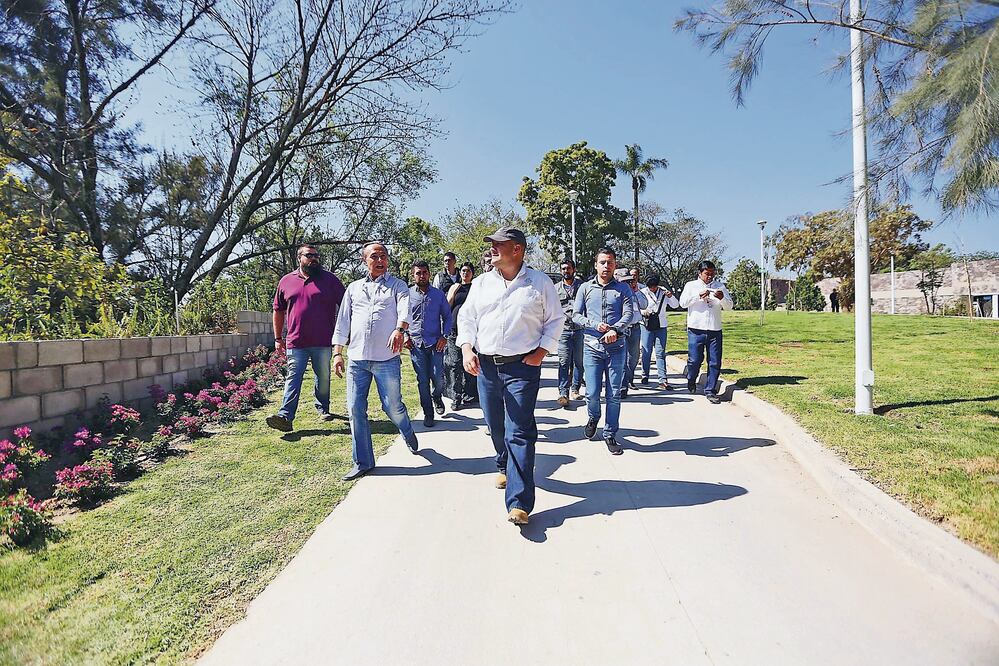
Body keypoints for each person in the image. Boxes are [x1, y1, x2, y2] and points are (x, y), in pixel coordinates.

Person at [458, 226, 563, 526]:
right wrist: (467, 349)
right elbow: (467, 318)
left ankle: (519, 502)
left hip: (522, 368)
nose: (491, 249)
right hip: (486, 366)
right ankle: (503, 463)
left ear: (516, 250)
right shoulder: (480, 283)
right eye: (490, 244)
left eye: (497, 245)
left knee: (519, 430)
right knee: (495, 425)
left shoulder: (539, 283)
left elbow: (556, 320)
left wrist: (541, 353)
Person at [332, 242, 419, 481]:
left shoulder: (398, 286)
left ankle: (406, 429)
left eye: (383, 256)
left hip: (386, 359)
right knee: (354, 409)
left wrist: (400, 330)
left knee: (392, 406)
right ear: (364, 260)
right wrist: (337, 352)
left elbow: (405, 310)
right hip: (357, 360)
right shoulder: (353, 288)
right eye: (374, 256)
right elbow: (343, 323)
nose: (379, 260)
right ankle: (363, 462)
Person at [267, 244, 346, 432]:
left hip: (323, 340)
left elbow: (345, 307)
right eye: (309, 255)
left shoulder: (330, 280)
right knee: (293, 377)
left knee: (323, 376)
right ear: (299, 258)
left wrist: (343, 336)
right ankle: (285, 416)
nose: (314, 259)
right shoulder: (286, 281)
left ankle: (323, 407)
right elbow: (278, 311)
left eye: (317, 255)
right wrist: (278, 338)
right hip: (296, 341)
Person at [573, 248, 633, 455]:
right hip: (592, 347)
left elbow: (629, 314)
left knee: (614, 394)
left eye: (610, 262)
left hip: (616, 348)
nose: (606, 266)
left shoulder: (624, 289)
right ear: (596, 265)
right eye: (602, 262)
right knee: (592, 393)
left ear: (615, 265)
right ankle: (593, 416)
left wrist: (616, 329)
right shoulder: (585, 288)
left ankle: (610, 434)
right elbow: (576, 315)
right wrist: (594, 324)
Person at [678, 260, 732, 405]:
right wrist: (698, 296)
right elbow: (682, 303)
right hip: (696, 328)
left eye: (712, 274)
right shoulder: (691, 286)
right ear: (700, 273)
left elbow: (729, 306)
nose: (710, 277)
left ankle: (710, 390)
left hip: (715, 329)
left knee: (714, 361)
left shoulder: (719, 286)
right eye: (707, 274)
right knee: (695, 359)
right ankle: (691, 378)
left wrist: (722, 299)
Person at [406, 261, 451, 427]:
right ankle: (428, 412)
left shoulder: (438, 295)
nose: (422, 275)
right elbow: (401, 317)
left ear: (429, 274)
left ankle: (437, 396)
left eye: (424, 272)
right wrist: (405, 336)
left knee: (437, 378)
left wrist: (444, 336)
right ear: (413, 275)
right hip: (415, 345)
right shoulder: (407, 294)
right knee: (422, 380)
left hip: (435, 344)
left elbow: (447, 317)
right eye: (418, 273)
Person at [444, 262, 478, 410]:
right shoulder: (455, 287)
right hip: (454, 330)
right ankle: (456, 396)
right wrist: (453, 291)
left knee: (470, 363)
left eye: (468, 271)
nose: (465, 273)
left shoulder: (477, 288)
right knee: (455, 364)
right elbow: (447, 306)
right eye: (463, 270)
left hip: (472, 332)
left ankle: (469, 395)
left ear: (472, 273)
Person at [639, 274, 679, 389]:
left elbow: (676, 305)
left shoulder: (663, 292)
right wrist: (644, 311)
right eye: (650, 286)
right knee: (646, 351)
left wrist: (671, 296)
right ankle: (645, 374)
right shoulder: (642, 292)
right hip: (646, 324)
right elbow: (636, 307)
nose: (652, 288)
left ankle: (663, 379)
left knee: (660, 352)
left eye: (654, 286)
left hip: (661, 325)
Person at [555, 258, 584, 407]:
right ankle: (563, 393)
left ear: (574, 270)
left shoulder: (582, 287)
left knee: (579, 362)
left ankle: (575, 389)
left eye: (569, 268)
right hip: (563, 330)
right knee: (564, 362)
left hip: (580, 330)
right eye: (563, 269)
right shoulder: (555, 289)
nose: (566, 271)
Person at [618, 267, 646, 399]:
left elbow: (644, 304)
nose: (628, 284)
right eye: (624, 281)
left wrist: (636, 291)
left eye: (629, 281)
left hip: (635, 328)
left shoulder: (634, 292)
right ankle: (623, 387)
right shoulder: (615, 292)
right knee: (622, 359)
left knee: (633, 357)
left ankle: (629, 379)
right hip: (622, 329)